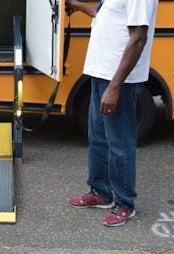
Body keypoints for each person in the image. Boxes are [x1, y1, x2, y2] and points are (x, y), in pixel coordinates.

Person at [65, 0, 158, 226]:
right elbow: (102, 15)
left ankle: (125, 203)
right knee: (98, 138)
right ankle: (101, 192)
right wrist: (76, 5)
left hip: (118, 81)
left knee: (120, 144)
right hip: (100, 72)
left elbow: (138, 38)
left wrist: (115, 87)